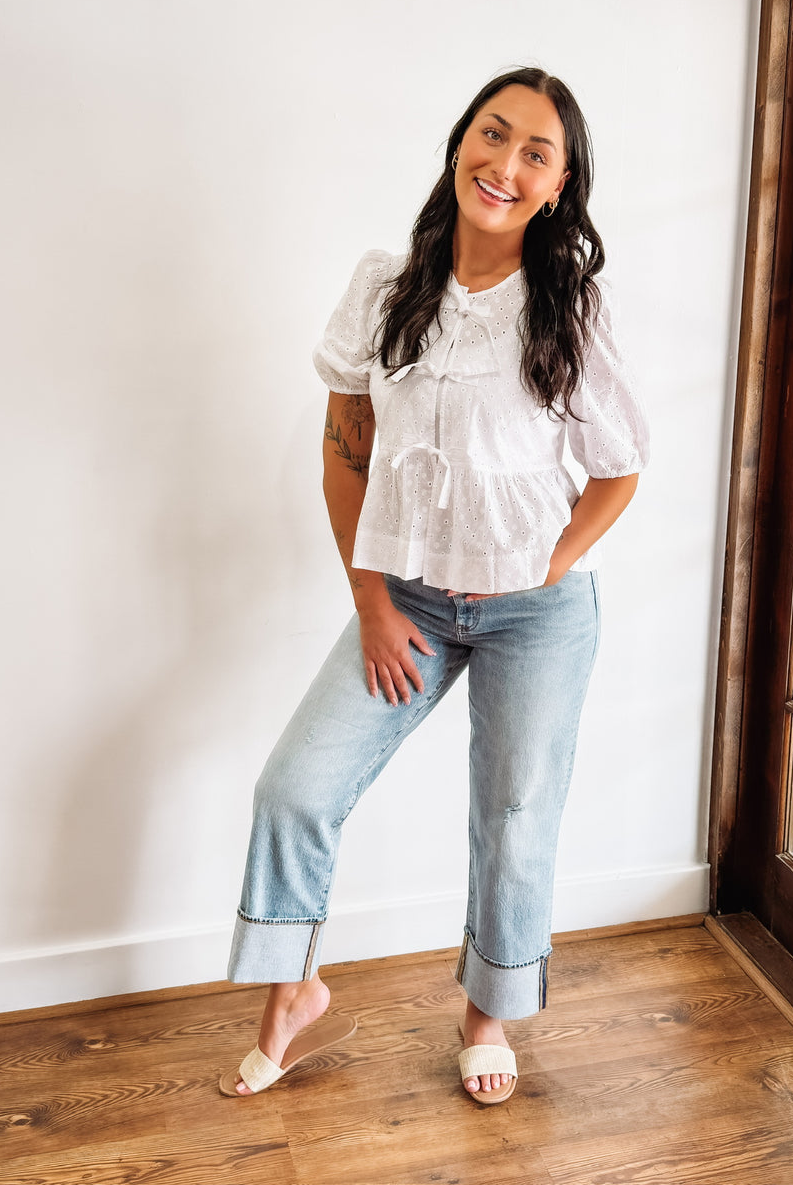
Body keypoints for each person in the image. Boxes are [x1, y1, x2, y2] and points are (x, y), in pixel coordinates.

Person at [219, 66, 649, 1105]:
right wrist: (371, 602)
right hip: (406, 600)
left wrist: (543, 567)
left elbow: (621, 465)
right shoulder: (384, 286)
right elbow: (344, 454)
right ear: (461, 141)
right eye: (492, 136)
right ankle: (292, 991)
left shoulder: (568, 308)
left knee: (513, 814)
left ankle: (486, 1013)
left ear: (558, 186)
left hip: (536, 618)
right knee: (295, 788)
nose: (504, 165)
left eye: (534, 153)